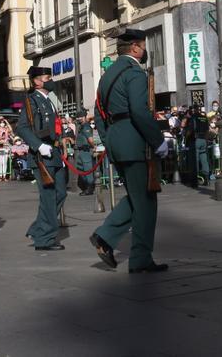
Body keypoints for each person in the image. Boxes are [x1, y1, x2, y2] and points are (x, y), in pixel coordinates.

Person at [90, 29, 169, 274]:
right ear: (135, 47)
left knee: (138, 196)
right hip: (135, 142)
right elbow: (139, 110)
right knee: (146, 198)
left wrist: (109, 140)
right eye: (143, 46)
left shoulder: (107, 76)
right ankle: (134, 255)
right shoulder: (134, 72)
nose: (144, 51)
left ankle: (112, 240)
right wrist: (157, 140)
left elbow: (99, 114)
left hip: (117, 141)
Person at [16, 66, 70, 251]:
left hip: (54, 153)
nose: (50, 80)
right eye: (47, 78)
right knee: (48, 196)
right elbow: (22, 127)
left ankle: (37, 228)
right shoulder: (32, 101)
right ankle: (44, 239)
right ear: (36, 81)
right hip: (41, 155)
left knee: (61, 193)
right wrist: (38, 145)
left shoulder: (48, 100)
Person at [74, 109, 97, 196]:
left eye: (81, 117)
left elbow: (90, 139)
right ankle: (86, 187)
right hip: (81, 151)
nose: (79, 118)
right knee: (81, 169)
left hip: (86, 151)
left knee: (87, 170)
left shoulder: (86, 127)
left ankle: (90, 188)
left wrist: (94, 147)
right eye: (78, 117)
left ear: (84, 117)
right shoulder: (82, 126)